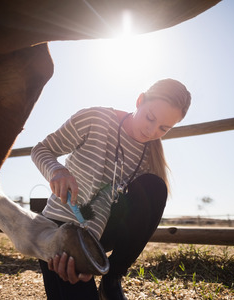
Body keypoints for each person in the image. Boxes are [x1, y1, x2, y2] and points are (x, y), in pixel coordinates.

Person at [31, 78, 191, 300]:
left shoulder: (147, 156)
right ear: (140, 100)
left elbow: (114, 204)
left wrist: (90, 253)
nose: (151, 130)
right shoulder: (95, 118)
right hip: (59, 226)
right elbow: (41, 150)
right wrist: (57, 171)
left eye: (164, 128)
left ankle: (112, 278)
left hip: (96, 232)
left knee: (155, 187)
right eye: (150, 118)